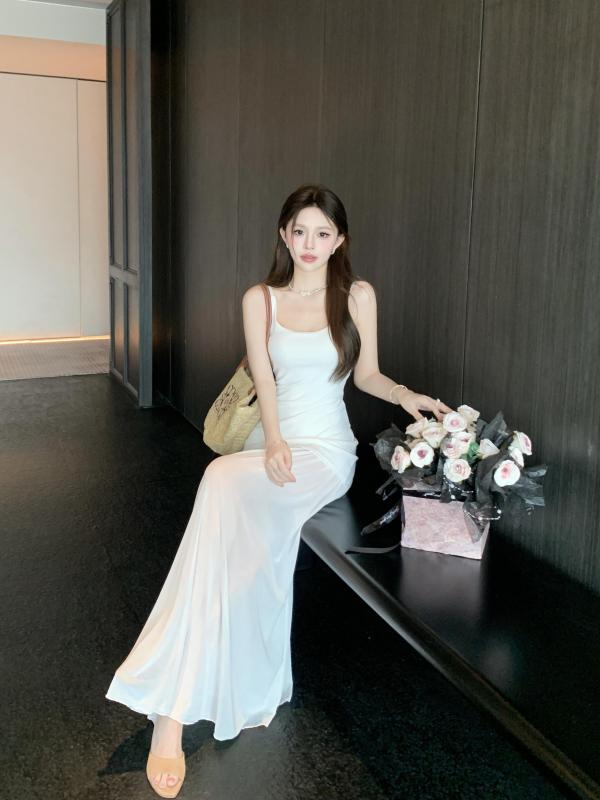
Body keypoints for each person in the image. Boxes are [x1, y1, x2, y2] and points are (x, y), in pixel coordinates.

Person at [105, 183, 453, 797]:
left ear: (339, 240)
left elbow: (367, 374)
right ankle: (171, 712)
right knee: (224, 532)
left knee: (218, 487)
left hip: (328, 454)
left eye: (323, 233)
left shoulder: (358, 295)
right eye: (299, 231)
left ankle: (172, 709)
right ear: (284, 236)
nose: (310, 244)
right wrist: (269, 441)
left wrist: (407, 397)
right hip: (273, 445)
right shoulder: (260, 299)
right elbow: (264, 380)